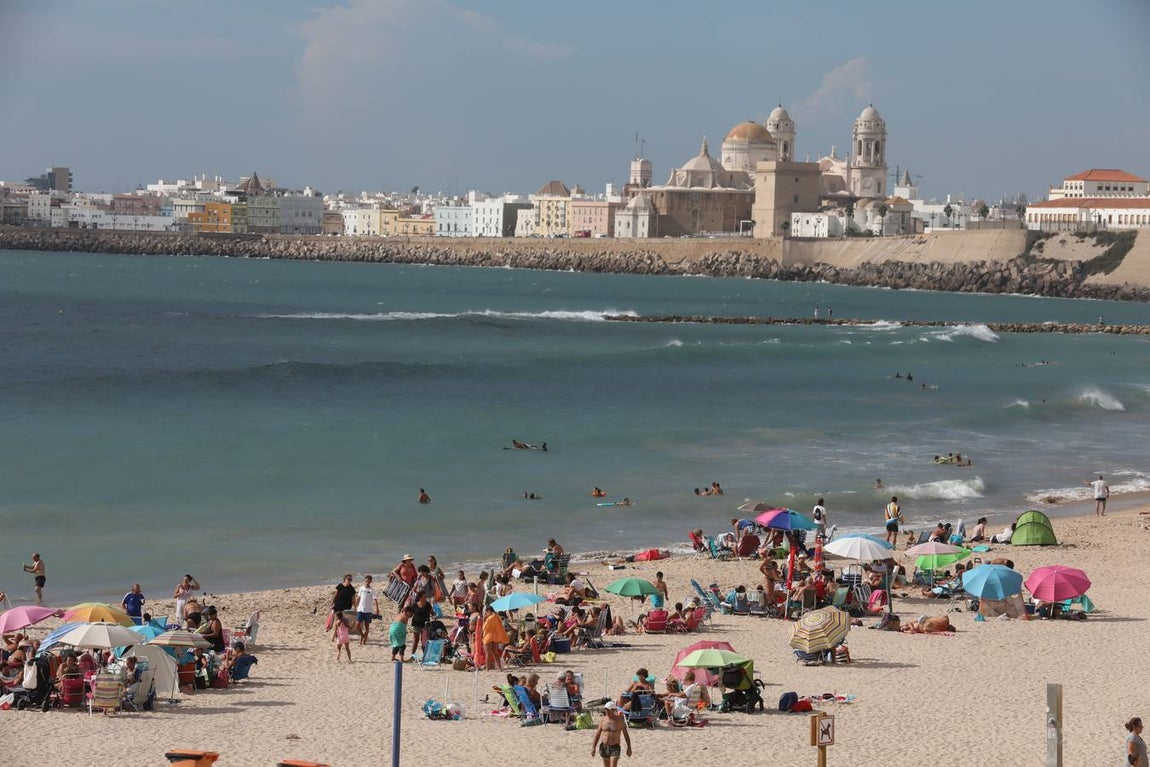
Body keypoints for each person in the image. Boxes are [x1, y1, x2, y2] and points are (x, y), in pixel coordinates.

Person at [592, 701, 632, 766]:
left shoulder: (619, 721)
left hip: (615, 747)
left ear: (613, 710)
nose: (606, 711)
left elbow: (626, 735)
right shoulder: (603, 720)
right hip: (604, 747)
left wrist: (629, 748)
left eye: (608, 710)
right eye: (605, 709)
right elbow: (597, 734)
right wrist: (593, 747)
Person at [481, 606, 509, 671]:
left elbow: (484, 628)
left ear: (488, 611)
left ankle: (487, 669)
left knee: (488, 653)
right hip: (495, 637)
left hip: (488, 636)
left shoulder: (489, 618)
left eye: (486, 612)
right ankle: (500, 668)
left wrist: (484, 620)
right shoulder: (497, 617)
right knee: (496, 653)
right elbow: (500, 628)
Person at [355, 575, 380, 645]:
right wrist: (355, 606)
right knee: (357, 625)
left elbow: (375, 600)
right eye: (366, 581)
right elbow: (358, 598)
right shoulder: (361, 588)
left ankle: (364, 640)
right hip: (360, 609)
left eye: (368, 581)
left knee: (367, 627)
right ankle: (362, 635)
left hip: (368, 611)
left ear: (371, 582)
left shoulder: (372, 590)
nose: (367, 582)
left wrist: (377, 609)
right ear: (364, 581)